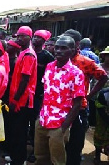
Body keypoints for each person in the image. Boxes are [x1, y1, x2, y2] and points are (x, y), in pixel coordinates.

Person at [34, 36, 85, 165]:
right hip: (43, 119)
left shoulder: (76, 73)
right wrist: (39, 117)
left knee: (57, 160)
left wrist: (64, 127)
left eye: (63, 48)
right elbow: (45, 93)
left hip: (59, 123)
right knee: (40, 156)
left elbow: (77, 103)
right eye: (57, 47)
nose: (58, 51)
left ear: (72, 51)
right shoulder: (49, 66)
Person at [63, 29, 108, 165]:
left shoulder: (85, 62)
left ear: (76, 44)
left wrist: (89, 96)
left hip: (78, 109)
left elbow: (103, 76)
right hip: (60, 108)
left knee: (75, 146)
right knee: (60, 144)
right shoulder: (59, 61)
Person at [9, 26, 37, 165]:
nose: (18, 38)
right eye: (17, 36)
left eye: (22, 36)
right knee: (16, 130)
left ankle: (19, 161)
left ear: (29, 37)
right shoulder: (23, 52)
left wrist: (15, 99)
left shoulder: (28, 55)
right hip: (19, 98)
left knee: (20, 132)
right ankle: (16, 158)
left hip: (23, 99)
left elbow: (25, 80)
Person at [28, 29, 54, 162]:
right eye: (35, 36)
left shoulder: (47, 56)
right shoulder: (27, 53)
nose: (35, 39)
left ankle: (34, 150)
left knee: (35, 123)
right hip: (26, 93)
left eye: (39, 37)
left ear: (44, 41)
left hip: (38, 95)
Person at [93, 46, 109, 164]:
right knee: (100, 128)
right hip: (99, 104)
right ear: (104, 56)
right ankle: (97, 154)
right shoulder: (98, 68)